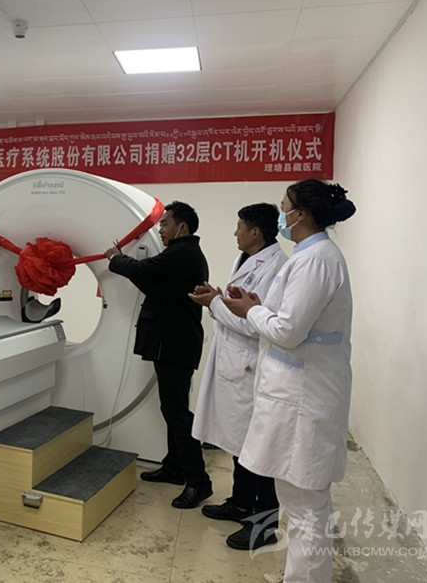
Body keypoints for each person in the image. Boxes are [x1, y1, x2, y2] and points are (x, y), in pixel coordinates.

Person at [222, 179, 356, 583]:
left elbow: (288, 330)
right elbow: (291, 319)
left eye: (284, 209)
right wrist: (259, 307)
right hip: (296, 394)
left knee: (305, 506)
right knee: (299, 504)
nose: (281, 216)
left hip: (304, 399)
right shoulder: (310, 256)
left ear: (302, 214)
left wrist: (251, 312)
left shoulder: (316, 260)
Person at [189, 203, 288, 550]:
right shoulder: (247, 258)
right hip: (234, 363)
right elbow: (239, 308)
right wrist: (218, 298)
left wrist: (214, 304)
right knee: (238, 443)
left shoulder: (276, 267)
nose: (235, 233)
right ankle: (241, 502)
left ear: (255, 232)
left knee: (258, 449)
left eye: (239, 227)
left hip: (250, 367)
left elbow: (254, 322)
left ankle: (264, 525)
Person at [105, 201, 212, 509]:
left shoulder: (182, 253)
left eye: (165, 223)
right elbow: (150, 280)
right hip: (174, 343)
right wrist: (126, 264)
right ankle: (175, 467)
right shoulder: (181, 254)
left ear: (182, 227)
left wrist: (115, 259)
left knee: (177, 413)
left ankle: (198, 482)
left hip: (175, 344)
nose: (161, 229)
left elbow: (143, 270)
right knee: (171, 409)